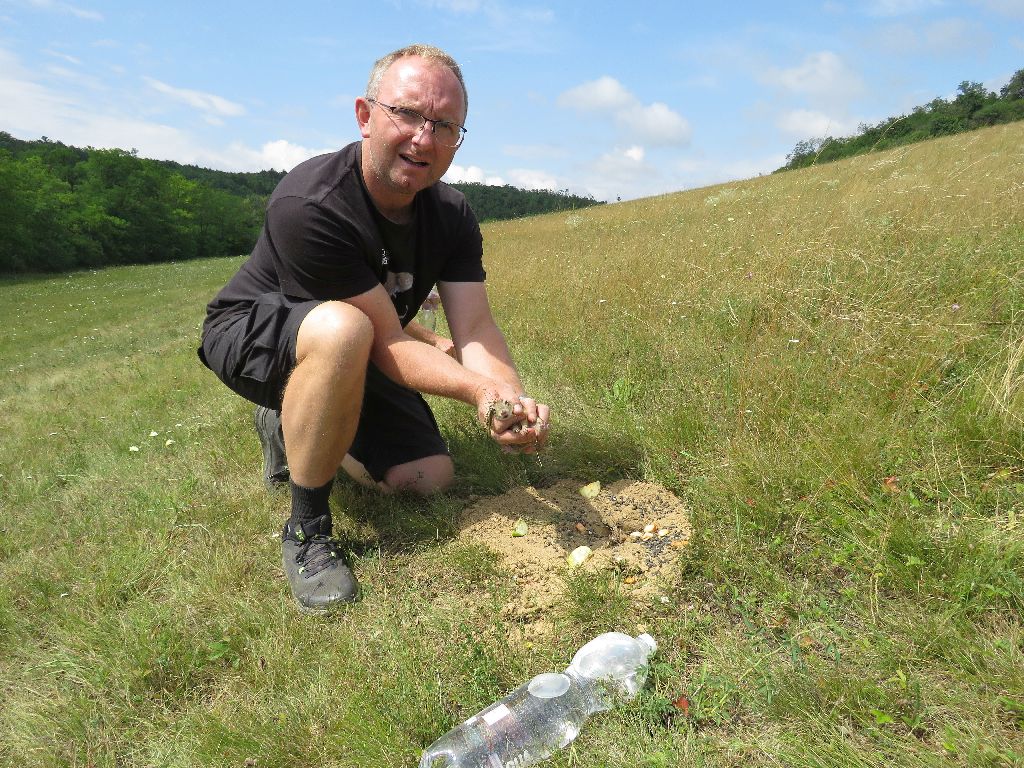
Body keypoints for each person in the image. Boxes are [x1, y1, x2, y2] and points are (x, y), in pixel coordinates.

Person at [197, 44, 551, 614]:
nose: (424, 138)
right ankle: (307, 528)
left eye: (445, 125)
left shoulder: (453, 215)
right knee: (343, 328)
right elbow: (388, 343)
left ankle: (294, 426)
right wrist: (477, 392)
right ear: (365, 115)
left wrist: (509, 398)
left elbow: (476, 325)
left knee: (427, 478)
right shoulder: (311, 203)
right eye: (406, 114)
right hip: (255, 334)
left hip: (359, 346)